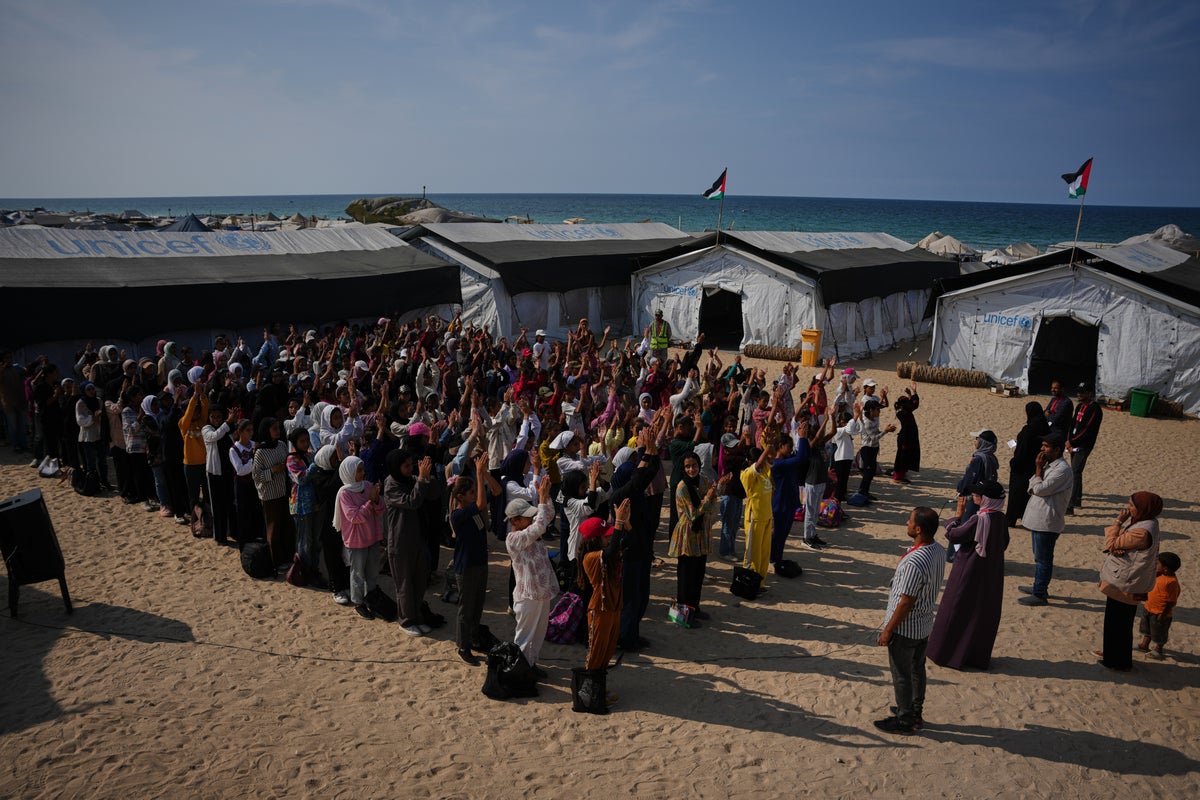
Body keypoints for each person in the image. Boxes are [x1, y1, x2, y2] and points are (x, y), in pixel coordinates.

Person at [875, 506, 945, 735]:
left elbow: (906, 601)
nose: (907, 523)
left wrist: (888, 630)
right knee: (917, 669)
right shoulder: (937, 550)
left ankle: (905, 720)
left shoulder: (915, 562)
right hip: (923, 624)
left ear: (918, 529)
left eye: (910, 521)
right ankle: (914, 710)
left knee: (902, 674)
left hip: (906, 628)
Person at [927, 480, 1009, 670]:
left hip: (969, 569)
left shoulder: (979, 519)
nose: (974, 496)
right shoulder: (1001, 518)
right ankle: (973, 657)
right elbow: (1004, 543)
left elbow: (955, 535)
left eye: (978, 495)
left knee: (955, 607)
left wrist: (957, 516)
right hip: (991, 571)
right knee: (981, 612)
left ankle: (945, 654)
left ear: (987, 499)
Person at [1094, 492, 1162, 672]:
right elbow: (1119, 545)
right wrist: (1117, 546)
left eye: (1132, 505)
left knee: (1118, 624)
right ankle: (1112, 655)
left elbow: (1111, 543)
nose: (1128, 508)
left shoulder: (1142, 531)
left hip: (1126, 582)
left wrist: (1118, 522)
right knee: (1118, 622)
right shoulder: (1148, 523)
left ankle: (1117, 662)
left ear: (1144, 509)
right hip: (1128, 580)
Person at [449, 453, 501, 663]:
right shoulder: (458, 515)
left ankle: (474, 638)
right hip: (467, 566)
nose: (475, 494)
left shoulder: (474, 509)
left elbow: (496, 491)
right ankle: (463, 646)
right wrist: (478, 475)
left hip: (480, 563)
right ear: (461, 496)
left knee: (478, 605)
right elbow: (480, 503)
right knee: (466, 608)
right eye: (470, 492)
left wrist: (484, 473)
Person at [505, 474, 558, 677]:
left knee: (538, 634)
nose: (531, 518)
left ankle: (530, 665)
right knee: (525, 636)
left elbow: (547, 515)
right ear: (515, 520)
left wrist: (545, 496)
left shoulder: (528, 527)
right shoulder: (513, 539)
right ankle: (519, 671)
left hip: (541, 591)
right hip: (527, 596)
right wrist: (541, 500)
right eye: (526, 517)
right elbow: (540, 525)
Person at [1018, 432, 1074, 607]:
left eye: (1046, 446)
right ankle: (1038, 586)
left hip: (1047, 521)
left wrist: (1038, 470)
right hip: (1039, 518)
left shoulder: (1062, 470)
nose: (1042, 449)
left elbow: (1039, 489)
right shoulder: (1049, 465)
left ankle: (1040, 593)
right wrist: (1038, 474)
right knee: (1039, 558)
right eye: (1042, 445)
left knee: (1043, 559)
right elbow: (1031, 486)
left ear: (1057, 450)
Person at [384, 448, 436, 636]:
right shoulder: (391, 485)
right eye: (406, 466)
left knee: (419, 581)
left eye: (411, 465)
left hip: (417, 539)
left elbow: (432, 494)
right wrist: (421, 479)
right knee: (405, 585)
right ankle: (406, 621)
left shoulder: (411, 480)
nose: (410, 469)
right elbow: (412, 501)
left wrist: (426, 476)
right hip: (401, 543)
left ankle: (417, 617)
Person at [671, 452, 727, 621]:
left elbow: (713, 499)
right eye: (687, 466)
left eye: (694, 465)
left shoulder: (703, 480)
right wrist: (708, 498)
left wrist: (717, 488)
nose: (691, 469)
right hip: (688, 534)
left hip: (701, 533)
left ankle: (694, 608)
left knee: (698, 573)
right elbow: (693, 514)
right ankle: (683, 614)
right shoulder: (682, 487)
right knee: (686, 576)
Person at [578, 499, 633, 672]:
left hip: (613, 606)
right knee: (597, 652)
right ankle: (590, 684)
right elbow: (610, 551)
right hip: (600, 608)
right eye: (605, 536)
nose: (609, 537)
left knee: (608, 649)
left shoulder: (608, 551)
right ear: (595, 540)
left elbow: (630, 543)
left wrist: (626, 523)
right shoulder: (591, 558)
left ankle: (599, 684)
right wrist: (618, 523)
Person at [333, 454, 385, 621]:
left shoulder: (367, 485)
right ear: (349, 472)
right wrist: (370, 501)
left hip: (372, 537)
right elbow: (354, 517)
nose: (363, 473)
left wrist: (376, 499)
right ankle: (358, 602)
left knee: (372, 571)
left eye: (363, 469)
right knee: (357, 574)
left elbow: (381, 509)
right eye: (359, 470)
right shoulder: (344, 493)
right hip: (356, 541)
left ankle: (371, 599)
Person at [1006, 401, 1049, 527]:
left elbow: (1022, 451)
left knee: (1016, 494)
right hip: (1036, 467)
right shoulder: (1045, 428)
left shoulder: (1028, 430)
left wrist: (1014, 462)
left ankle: (1011, 519)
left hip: (1022, 467)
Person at [1137, 552, 1182, 660]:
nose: (1155, 565)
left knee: (1159, 632)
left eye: (1158, 564)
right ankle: (1144, 645)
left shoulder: (1171, 582)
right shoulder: (1158, 574)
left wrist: (1163, 614)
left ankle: (1158, 649)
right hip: (1148, 607)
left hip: (1160, 612)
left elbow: (1171, 601)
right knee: (1147, 629)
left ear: (1165, 568)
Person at [1067, 383, 1103, 514]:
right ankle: (1077, 500)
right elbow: (1072, 424)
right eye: (1078, 392)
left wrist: (1072, 442)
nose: (1079, 394)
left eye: (1082, 392)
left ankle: (1070, 506)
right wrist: (1069, 441)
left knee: (1074, 473)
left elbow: (1087, 430)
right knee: (1077, 472)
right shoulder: (1080, 406)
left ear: (1089, 393)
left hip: (1083, 445)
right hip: (1073, 444)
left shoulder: (1094, 409)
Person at [891, 381, 921, 484]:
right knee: (902, 457)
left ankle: (901, 475)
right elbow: (913, 405)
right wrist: (912, 394)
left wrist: (911, 394)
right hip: (905, 437)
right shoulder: (902, 413)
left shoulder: (904, 410)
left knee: (906, 456)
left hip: (908, 436)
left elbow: (913, 405)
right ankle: (898, 477)